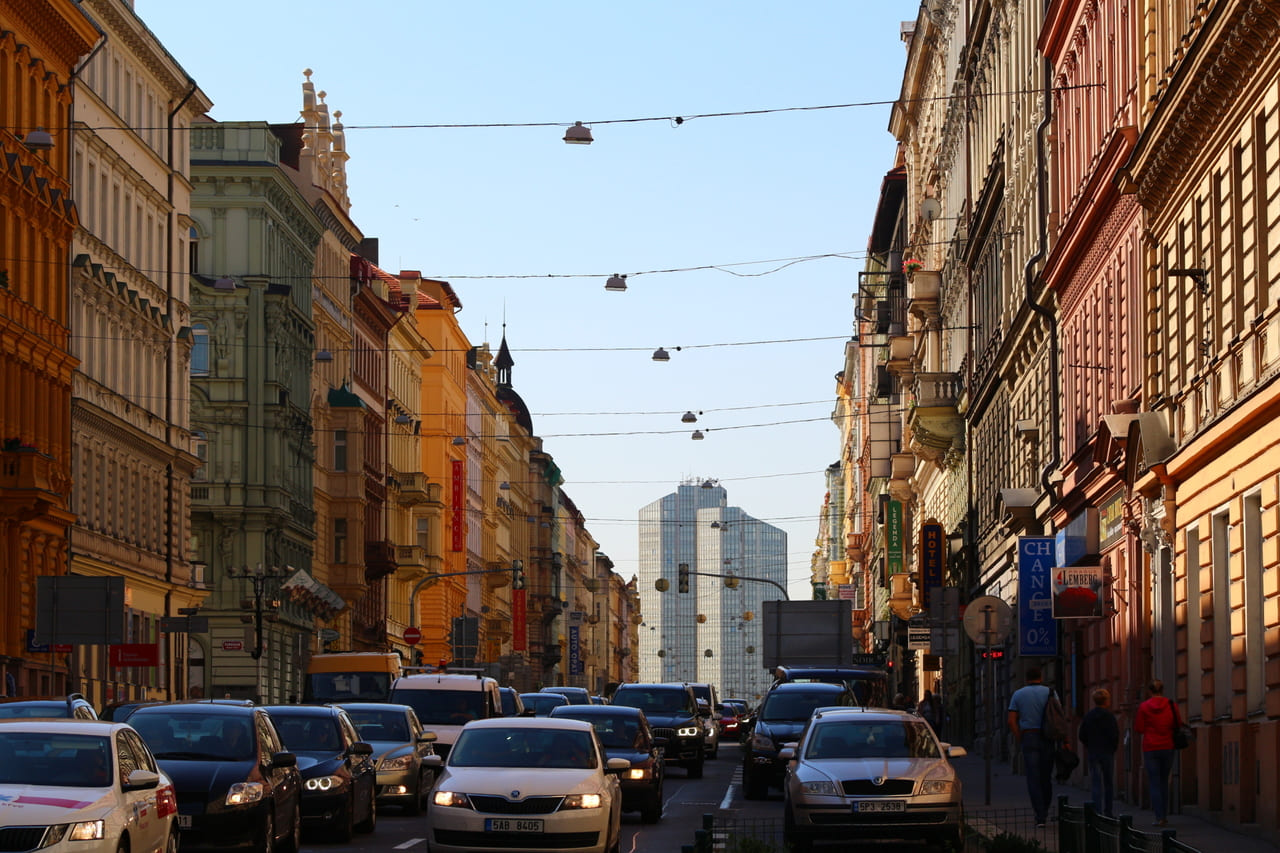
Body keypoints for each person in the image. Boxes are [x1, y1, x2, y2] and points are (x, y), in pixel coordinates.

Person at [1007, 665, 1055, 828]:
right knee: (1046, 776)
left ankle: (1039, 815)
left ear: (1027, 679)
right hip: (1048, 737)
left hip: (1029, 735)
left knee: (1033, 778)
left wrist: (1019, 736)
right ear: (1041, 677)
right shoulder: (1050, 692)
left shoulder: (1018, 694)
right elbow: (1059, 715)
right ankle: (1046, 809)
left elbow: (1011, 720)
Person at [1135, 679, 1178, 826]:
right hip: (1167, 746)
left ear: (1149, 691)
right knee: (1164, 781)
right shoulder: (1171, 705)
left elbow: (1139, 728)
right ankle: (1164, 815)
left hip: (1150, 747)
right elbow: (1177, 723)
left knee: (1154, 782)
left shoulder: (1144, 707)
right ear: (1163, 690)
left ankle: (1159, 817)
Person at [1078, 688, 1119, 817]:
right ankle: (1108, 811)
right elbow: (1114, 735)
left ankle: (1097, 811)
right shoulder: (1109, 716)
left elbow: (1082, 734)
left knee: (1096, 782)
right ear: (1106, 701)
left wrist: (1088, 745)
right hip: (1107, 752)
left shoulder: (1088, 716)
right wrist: (1112, 748)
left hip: (1093, 752)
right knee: (1108, 783)